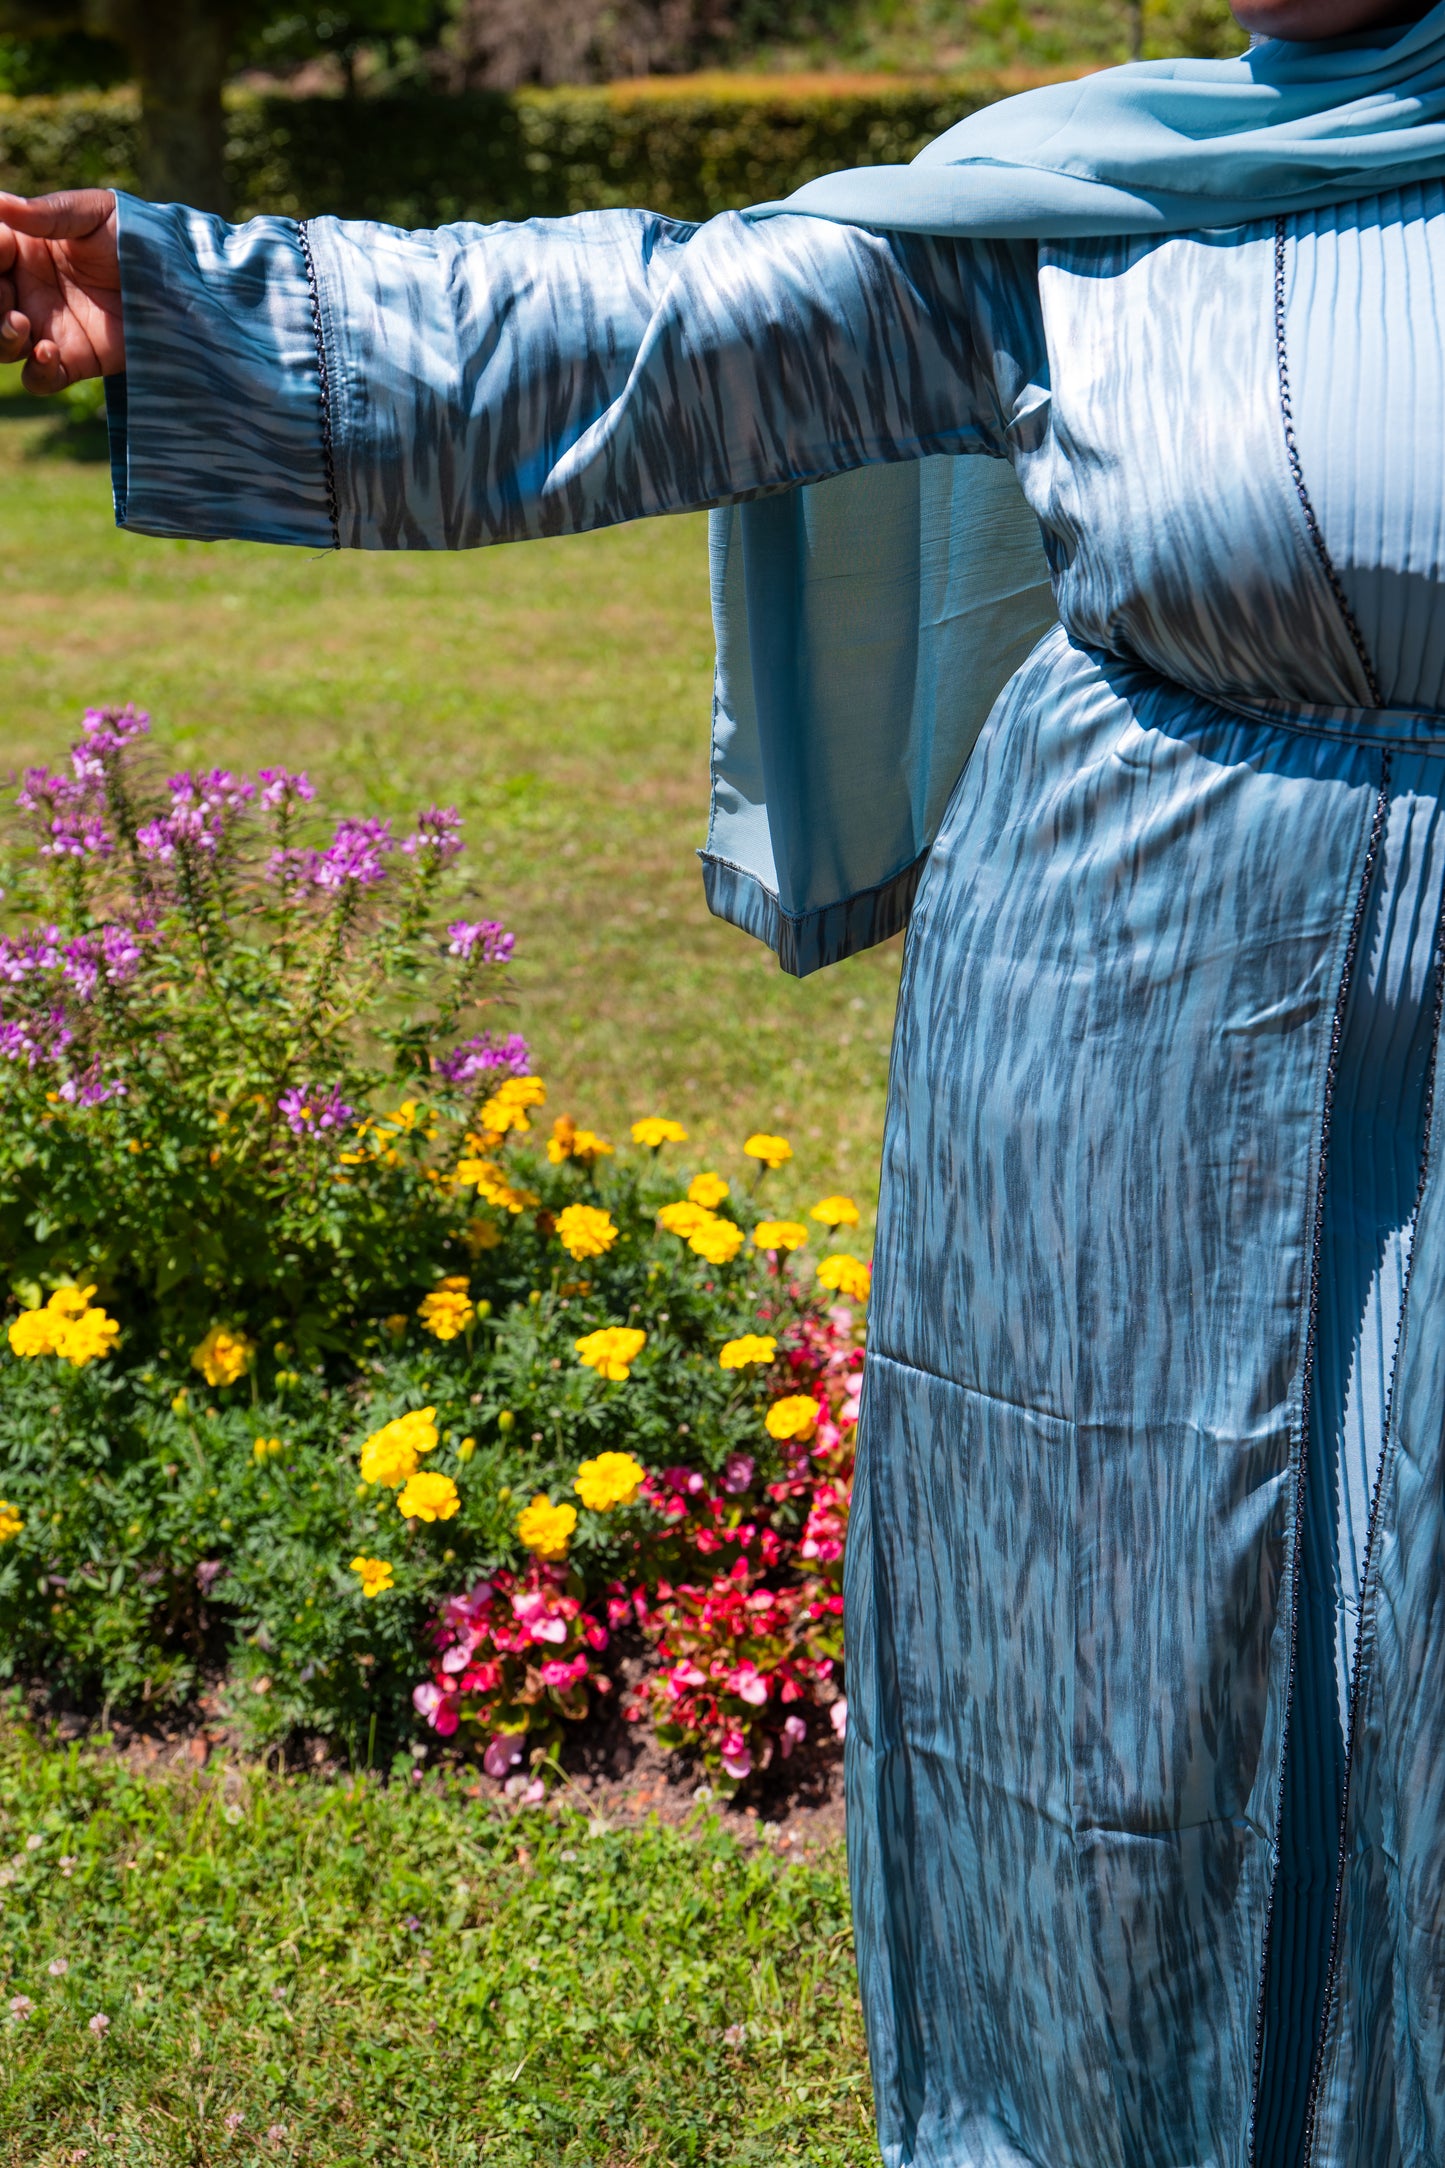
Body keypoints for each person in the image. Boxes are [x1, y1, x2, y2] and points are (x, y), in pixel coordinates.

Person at [3, 2, 1445, 2160]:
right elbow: (648, 339)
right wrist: (196, 299)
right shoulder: (1083, 192)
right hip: (1115, 1059)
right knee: (1109, 1672)